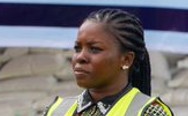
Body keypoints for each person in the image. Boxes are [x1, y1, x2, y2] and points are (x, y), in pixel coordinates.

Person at [43, 8, 173, 116]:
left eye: (95, 49)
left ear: (126, 59)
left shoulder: (149, 113)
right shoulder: (56, 111)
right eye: (78, 48)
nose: (80, 57)